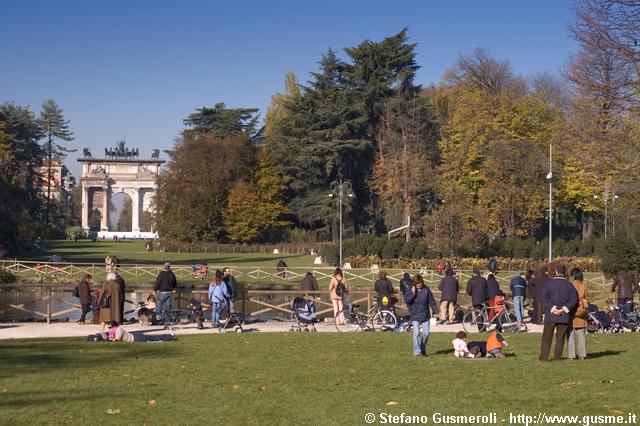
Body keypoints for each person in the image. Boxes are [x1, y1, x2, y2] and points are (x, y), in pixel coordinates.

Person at [539, 264, 578, 362]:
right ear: (565, 273)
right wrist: (564, 309)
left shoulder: (548, 284)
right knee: (560, 338)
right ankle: (557, 357)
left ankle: (543, 358)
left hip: (550, 315)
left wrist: (552, 308)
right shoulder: (570, 285)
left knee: (547, 338)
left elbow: (544, 297)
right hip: (563, 315)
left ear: (556, 271)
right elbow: (574, 299)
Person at [404, 274, 439, 357]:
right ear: (414, 284)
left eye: (420, 283)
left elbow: (432, 301)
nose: (419, 285)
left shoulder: (426, 289)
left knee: (426, 334)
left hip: (425, 315)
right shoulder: (410, 290)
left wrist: (436, 311)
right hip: (415, 314)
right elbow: (408, 301)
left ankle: (422, 348)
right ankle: (416, 351)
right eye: (417, 284)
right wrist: (413, 293)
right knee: (416, 333)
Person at [568, 267, 589, 360]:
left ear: (573, 276)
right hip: (581, 311)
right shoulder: (584, 285)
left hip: (573, 311)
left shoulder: (571, 285)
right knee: (581, 335)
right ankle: (582, 355)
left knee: (571, 334)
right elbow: (586, 298)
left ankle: (571, 355)